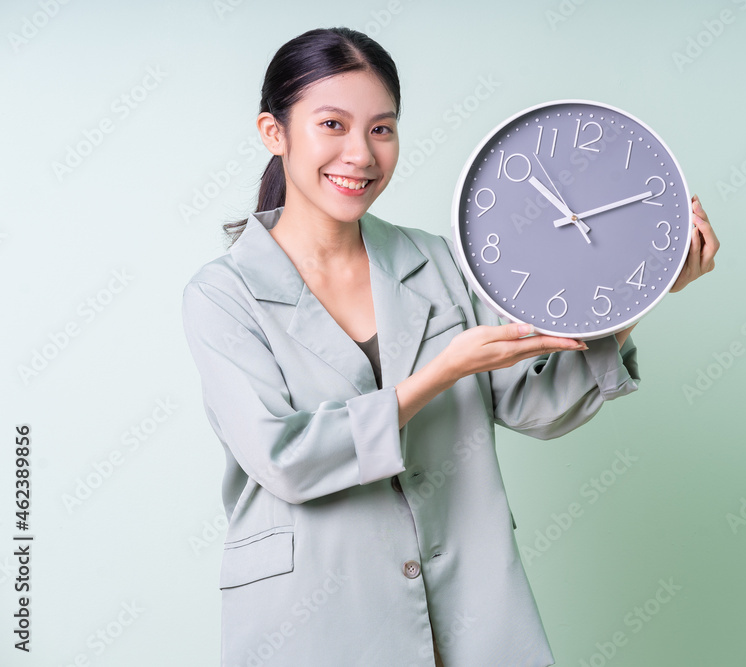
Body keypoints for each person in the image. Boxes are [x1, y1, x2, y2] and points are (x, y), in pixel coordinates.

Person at [181, 26, 718, 667]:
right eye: (332, 124)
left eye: (381, 129)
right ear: (275, 133)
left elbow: (535, 407)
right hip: (314, 619)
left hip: (466, 610)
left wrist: (636, 301)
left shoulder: (433, 259)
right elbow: (286, 459)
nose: (360, 153)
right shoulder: (223, 294)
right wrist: (437, 376)